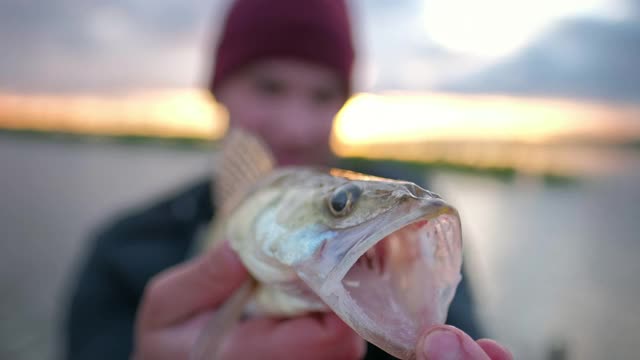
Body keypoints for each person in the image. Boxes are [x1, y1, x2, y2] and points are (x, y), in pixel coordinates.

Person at [66, 0, 512, 359]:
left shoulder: (402, 237)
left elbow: (458, 327)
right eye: (269, 87)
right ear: (217, 90)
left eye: (323, 95)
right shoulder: (121, 251)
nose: (297, 128)